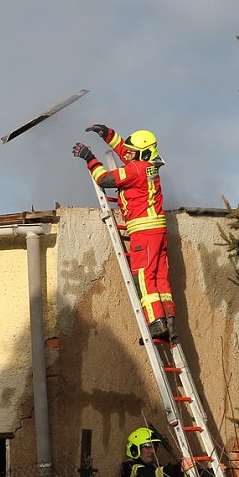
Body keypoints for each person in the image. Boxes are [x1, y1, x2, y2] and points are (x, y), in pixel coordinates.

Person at [72, 124, 174, 340]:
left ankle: (156, 322)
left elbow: (104, 179)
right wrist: (107, 134)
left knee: (144, 277)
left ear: (143, 153)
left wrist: (89, 157)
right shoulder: (149, 166)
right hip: (157, 230)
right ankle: (169, 320)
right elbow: (126, 151)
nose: (129, 154)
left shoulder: (135, 170)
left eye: (133, 152)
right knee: (160, 278)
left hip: (143, 231)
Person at [121, 427, 215, 477]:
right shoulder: (129, 467)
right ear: (135, 449)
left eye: (154, 447)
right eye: (147, 446)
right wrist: (178, 468)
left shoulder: (155, 467)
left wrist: (212, 472)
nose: (152, 450)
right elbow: (150, 474)